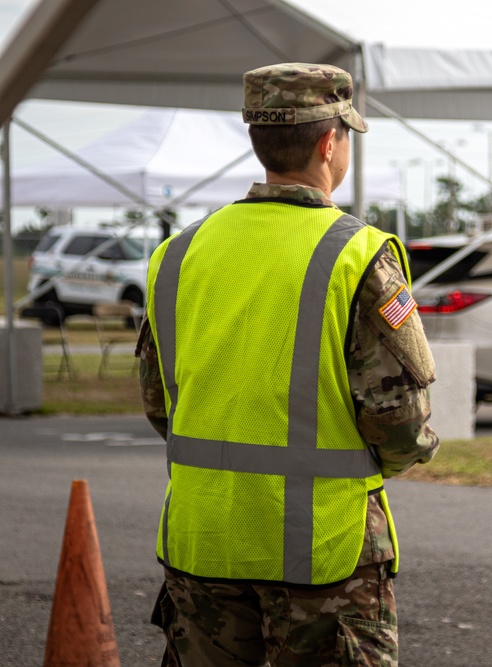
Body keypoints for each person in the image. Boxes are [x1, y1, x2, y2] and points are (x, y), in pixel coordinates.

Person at [135, 62, 439, 666]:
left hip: (203, 544)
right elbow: (400, 422)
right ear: (331, 143)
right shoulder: (357, 256)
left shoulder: (178, 254)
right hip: (320, 551)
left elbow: (158, 404)